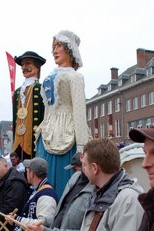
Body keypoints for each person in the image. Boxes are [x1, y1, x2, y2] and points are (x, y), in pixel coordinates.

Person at [35, 30, 92, 199]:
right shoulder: (49, 78)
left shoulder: (75, 77)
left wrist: (82, 149)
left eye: (58, 46)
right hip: (47, 135)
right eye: (53, 47)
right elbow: (48, 110)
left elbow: (80, 113)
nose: (54, 51)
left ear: (70, 49)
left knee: (63, 184)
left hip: (67, 136)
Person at [27, 151, 91, 231]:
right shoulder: (75, 179)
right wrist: (45, 221)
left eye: (75, 168)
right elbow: (63, 215)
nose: (74, 172)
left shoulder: (95, 191)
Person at [12, 51, 46, 161]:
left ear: (37, 67)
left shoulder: (41, 88)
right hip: (19, 141)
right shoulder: (18, 92)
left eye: (28, 63)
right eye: (22, 64)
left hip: (34, 142)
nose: (24, 67)